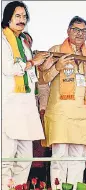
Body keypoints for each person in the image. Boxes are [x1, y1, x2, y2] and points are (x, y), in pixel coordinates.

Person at [41, 16, 86, 189]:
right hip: (61, 113)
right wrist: (57, 67)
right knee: (59, 157)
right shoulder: (56, 50)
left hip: (84, 113)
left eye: (83, 31)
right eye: (76, 29)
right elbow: (43, 79)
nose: (79, 34)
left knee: (78, 160)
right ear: (68, 30)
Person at [1, 1, 50, 189]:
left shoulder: (23, 42)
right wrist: (32, 63)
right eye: (17, 16)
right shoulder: (3, 40)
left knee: (25, 158)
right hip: (8, 107)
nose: (22, 20)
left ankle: (19, 187)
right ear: (8, 18)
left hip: (26, 108)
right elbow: (8, 68)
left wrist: (40, 65)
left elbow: (31, 75)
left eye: (24, 17)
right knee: (5, 159)